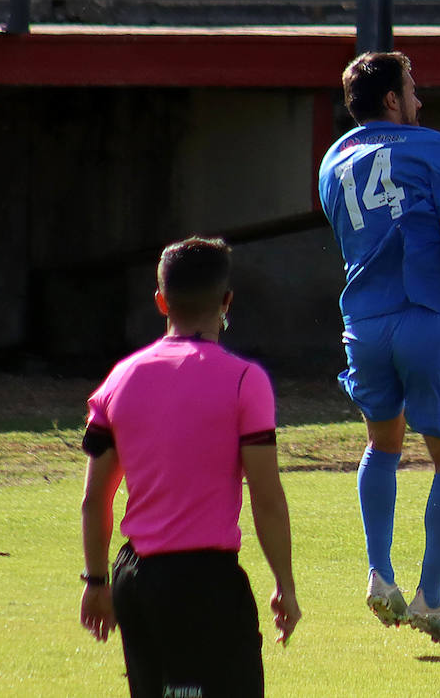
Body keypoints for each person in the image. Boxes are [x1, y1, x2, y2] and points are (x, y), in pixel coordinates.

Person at [79, 237, 300, 697]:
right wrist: (284, 584)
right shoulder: (245, 380)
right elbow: (266, 495)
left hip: (134, 580)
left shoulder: (119, 379)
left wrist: (96, 580)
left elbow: (95, 497)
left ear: (160, 301)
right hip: (205, 583)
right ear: (226, 302)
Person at [316, 50, 440, 647]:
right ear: (391, 99)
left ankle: (379, 574)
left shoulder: (334, 159)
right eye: (412, 88)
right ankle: (430, 597)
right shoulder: (435, 146)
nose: (420, 99)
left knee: (382, 445)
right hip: (422, 317)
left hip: (362, 320)